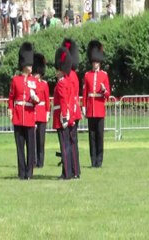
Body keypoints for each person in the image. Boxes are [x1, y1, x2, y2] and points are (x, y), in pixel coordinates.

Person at [8, 42, 40, 180]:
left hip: (29, 115)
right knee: (20, 147)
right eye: (29, 64)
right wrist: (10, 110)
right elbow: (11, 97)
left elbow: (37, 98)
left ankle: (29, 172)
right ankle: (21, 172)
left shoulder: (34, 80)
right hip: (18, 116)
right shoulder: (15, 80)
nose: (31, 66)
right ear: (23, 64)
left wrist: (34, 99)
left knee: (30, 147)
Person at [82, 40, 111, 168]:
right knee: (92, 137)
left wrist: (104, 90)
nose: (95, 64)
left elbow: (107, 94)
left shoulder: (104, 75)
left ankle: (99, 160)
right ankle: (93, 160)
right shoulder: (87, 75)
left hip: (99, 108)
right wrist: (84, 106)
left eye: (97, 62)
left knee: (100, 136)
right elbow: (85, 92)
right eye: (94, 62)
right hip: (90, 109)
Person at [53, 47, 74, 180]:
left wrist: (64, 117)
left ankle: (66, 173)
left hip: (61, 117)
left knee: (64, 146)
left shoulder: (61, 83)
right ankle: (69, 171)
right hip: (65, 116)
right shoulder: (67, 81)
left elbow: (64, 101)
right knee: (67, 145)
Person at [62, 38, 81, 179]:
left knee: (70, 144)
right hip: (72, 113)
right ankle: (74, 170)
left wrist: (71, 117)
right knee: (71, 143)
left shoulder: (71, 76)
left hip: (71, 113)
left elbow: (72, 97)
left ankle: (72, 170)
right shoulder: (71, 74)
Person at [32, 53, 50, 168]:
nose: (36, 75)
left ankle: (40, 161)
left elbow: (47, 100)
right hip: (32, 113)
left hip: (42, 113)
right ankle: (33, 161)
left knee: (41, 140)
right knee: (32, 139)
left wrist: (47, 113)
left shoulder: (44, 84)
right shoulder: (30, 83)